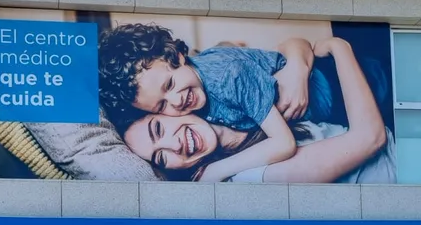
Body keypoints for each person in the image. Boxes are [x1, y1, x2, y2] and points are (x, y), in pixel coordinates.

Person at [120, 36, 395, 184]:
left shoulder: (219, 86)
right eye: (161, 158)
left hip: (348, 81)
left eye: (158, 129)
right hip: (393, 153)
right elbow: (370, 138)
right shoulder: (247, 173)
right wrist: (338, 46)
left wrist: (298, 67)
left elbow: (287, 47)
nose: (174, 145)